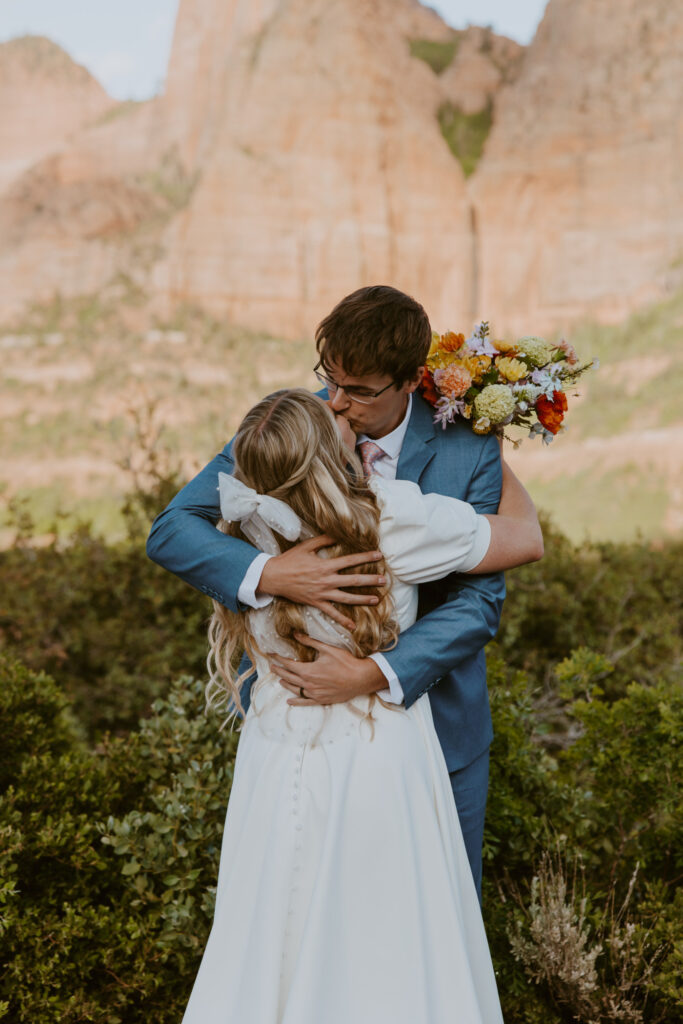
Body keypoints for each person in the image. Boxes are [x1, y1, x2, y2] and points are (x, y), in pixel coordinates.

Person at [146, 284, 538, 900]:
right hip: (295, 729)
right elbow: (172, 529)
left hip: (435, 724)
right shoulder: (292, 424)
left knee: (439, 916)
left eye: (358, 390)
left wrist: (376, 673)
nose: (337, 401)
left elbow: (477, 603)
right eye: (329, 379)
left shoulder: (468, 450)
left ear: (411, 380)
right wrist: (273, 575)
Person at [178, 388, 541, 1023]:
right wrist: (488, 437)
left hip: (271, 749)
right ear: (326, 452)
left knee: (267, 927)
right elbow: (524, 538)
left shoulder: (245, 525)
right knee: (384, 939)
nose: (344, 412)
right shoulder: (390, 519)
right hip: (376, 748)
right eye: (334, 417)